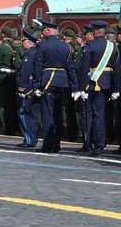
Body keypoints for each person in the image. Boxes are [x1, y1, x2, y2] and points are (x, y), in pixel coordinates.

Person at [31, 19, 78, 153]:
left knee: (47, 114)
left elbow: (38, 66)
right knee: (58, 113)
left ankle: (48, 144)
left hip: (48, 81)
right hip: (62, 82)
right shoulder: (66, 47)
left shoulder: (43, 46)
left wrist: (36, 85)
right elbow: (70, 68)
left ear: (47, 31)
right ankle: (56, 143)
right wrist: (74, 87)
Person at [78, 20, 120, 156]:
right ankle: (102, 142)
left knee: (94, 116)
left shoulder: (89, 46)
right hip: (109, 83)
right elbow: (117, 68)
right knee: (104, 115)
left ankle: (96, 145)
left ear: (95, 32)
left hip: (94, 83)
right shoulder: (112, 47)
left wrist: (81, 88)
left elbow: (84, 69)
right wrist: (117, 88)